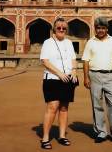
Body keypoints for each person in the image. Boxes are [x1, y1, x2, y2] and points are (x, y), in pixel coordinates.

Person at [82, 17, 112, 144]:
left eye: (103, 28)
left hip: (110, 75)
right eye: (98, 28)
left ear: (106, 29)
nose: (100, 30)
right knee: (97, 105)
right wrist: (85, 77)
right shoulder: (91, 42)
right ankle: (101, 132)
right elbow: (85, 60)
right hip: (94, 76)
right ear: (95, 29)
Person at [40, 17, 78, 149]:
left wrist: (73, 71)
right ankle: (45, 138)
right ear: (54, 29)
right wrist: (59, 73)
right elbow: (45, 61)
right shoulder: (47, 43)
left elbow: (74, 59)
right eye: (59, 28)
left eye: (64, 28)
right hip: (52, 78)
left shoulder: (68, 42)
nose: (61, 29)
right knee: (52, 107)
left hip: (68, 79)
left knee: (64, 108)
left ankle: (62, 136)